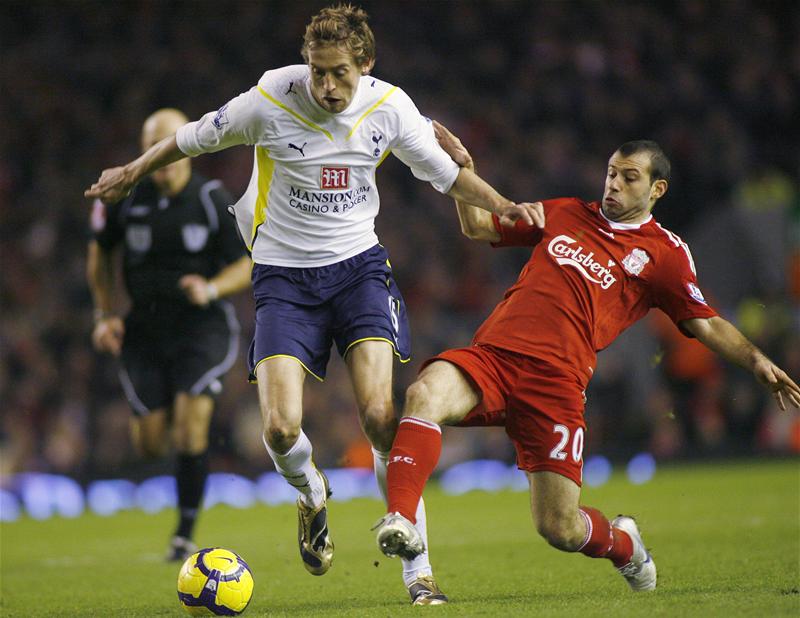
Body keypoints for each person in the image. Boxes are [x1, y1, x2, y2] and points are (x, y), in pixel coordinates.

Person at [84, 4, 540, 605]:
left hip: (359, 272)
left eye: (339, 74)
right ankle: (312, 492)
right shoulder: (271, 98)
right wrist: (133, 171)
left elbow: (447, 177)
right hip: (283, 279)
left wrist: (507, 203)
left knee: (381, 419)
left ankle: (419, 574)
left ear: (366, 65)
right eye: (317, 71)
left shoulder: (390, 108)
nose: (325, 86)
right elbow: (190, 136)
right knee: (278, 427)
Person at [374, 121, 800, 594]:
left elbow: (704, 321)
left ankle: (624, 544)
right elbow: (477, 226)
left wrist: (757, 360)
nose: (614, 183)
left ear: (657, 188)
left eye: (629, 177)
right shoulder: (565, 212)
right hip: (493, 358)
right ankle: (401, 519)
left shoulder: (664, 254)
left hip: (556, 386)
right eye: (612, 172)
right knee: (422, 392)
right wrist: (463, 172)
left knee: (560, 528)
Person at [87, 108, 252, 561]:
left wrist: (211, 287)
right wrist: (104, 314)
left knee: (189, 426)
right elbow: (99, 254)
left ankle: (183, 534)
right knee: (151, 441)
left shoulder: (212, 199)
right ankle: (184, 500)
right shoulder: (125, 197)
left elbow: (247, 262)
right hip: (145, 329)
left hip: (202, 329)